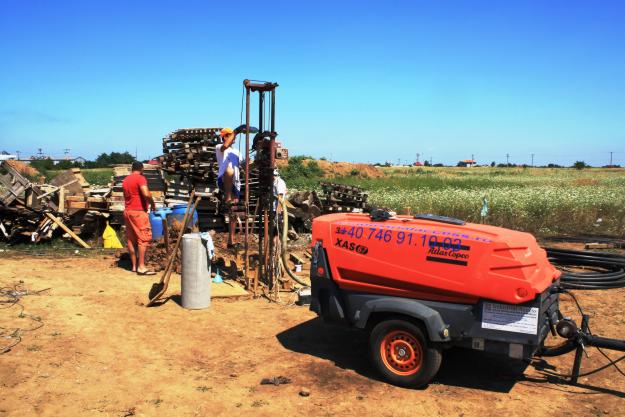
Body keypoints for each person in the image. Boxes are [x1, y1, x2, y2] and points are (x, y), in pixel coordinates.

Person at [122, 161, 156, 275]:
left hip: (128, 212)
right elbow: (146, 194)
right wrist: (153, 204)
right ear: (141, 169)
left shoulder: (126, 180)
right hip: (138, 212)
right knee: (143, 238)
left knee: (131, 239)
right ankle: (141, 267)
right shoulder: (140, 178)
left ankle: (134, 266)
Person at [216, 127, 242, 248]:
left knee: (234, 212)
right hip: (224, 179)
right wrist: (237, 130)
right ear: (225, 136)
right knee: (229, 170)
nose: (234, 138)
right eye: (231, 135)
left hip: (235, 184)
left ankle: (231, 240)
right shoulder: (219, 148)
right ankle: (227, 197)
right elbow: (225, 146)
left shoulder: (237, 152)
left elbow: (245, 166)